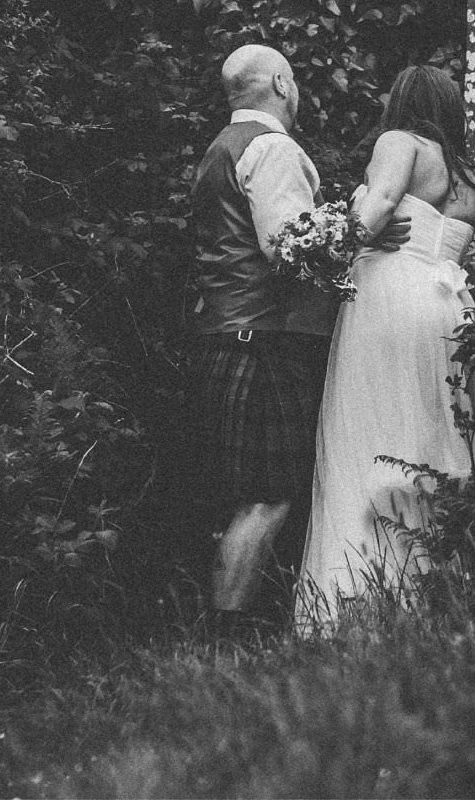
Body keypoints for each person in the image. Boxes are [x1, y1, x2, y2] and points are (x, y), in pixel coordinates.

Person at [294, 64, 475, 627]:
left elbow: (375, 208)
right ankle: (449, 592)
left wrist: (339, 237)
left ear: (402, 103)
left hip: (391, 297)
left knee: (374, 430)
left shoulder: (399, 142)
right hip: (451, 308)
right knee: (444, 433)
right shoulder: (471, 179)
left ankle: (360, 599)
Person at [188, 43, 408, 630]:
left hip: (228, 330)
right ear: (282, 84)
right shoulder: (273, 147)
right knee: (269, 494)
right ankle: (227, 641)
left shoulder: (217, 151)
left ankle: (232, 631)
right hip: (266, 336)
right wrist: (364, 232)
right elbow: (290, 244)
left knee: (250, 496)